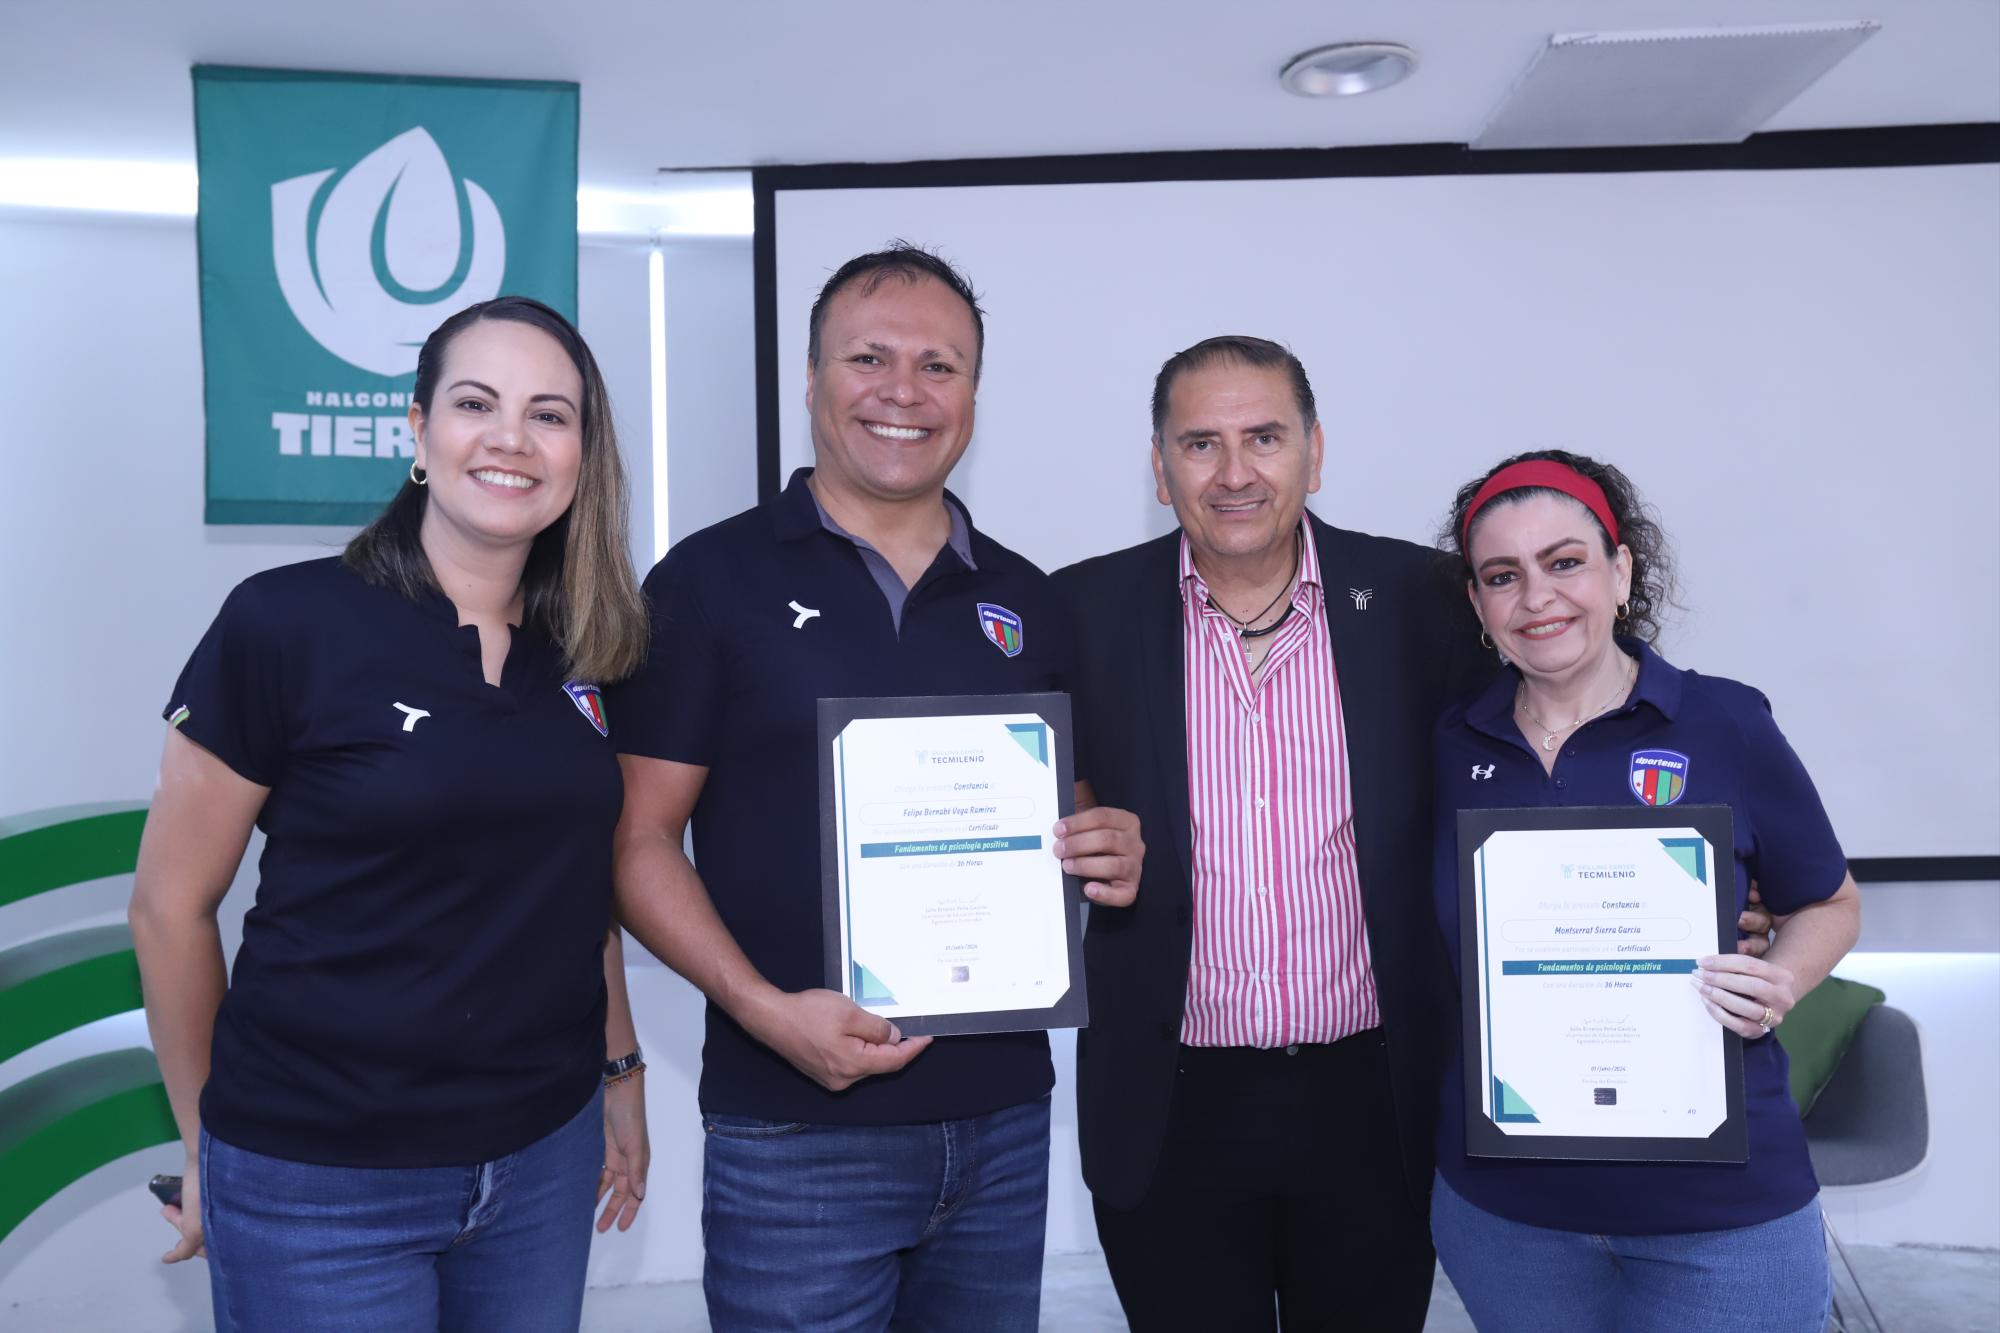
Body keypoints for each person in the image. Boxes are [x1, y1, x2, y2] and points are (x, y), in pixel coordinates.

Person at [608, 242, 1143, 1332]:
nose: (904, 391)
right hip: (793, 1124)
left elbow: (1069, 826)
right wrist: (764, 1013)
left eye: (938, 366)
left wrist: (1109, 854)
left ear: (973, 396)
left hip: (998, 1123)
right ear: (811, 382)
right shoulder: (708, 584)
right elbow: (636, 841)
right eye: (869, 358)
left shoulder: (1029, 600)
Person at [129, 296, 654, 1332]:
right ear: (417, 429)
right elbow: (167, 909)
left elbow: (570, 892)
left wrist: (619, 1075)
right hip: (318, 1175)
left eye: (550, 415)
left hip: (541, 1158)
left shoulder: (593, 646)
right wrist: (205, 1143)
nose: (511, 438)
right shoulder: (285, 622)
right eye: (475, 403)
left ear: (582, 454)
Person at [1052, 336, 1491, 1329]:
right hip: (1168, 1107)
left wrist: (1721, 884)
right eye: (1199, 443)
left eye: (1263, 437)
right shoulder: (1079, 609)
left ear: (1314, 451)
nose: (1234, 472)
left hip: (1373, 1099)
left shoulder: (1426, 603)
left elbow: (1551, 743)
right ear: (1158, 469)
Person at [1428, 449, 1861, 1332]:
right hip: (1509, 1215)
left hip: (1722, 1216)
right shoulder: (1442, 744)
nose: (1537, 597)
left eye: (1566, 561)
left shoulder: (1725, 720)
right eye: (1502, 575)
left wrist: (1783, 976)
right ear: (1478, 604)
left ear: (1621, 570)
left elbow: (1830, 901)